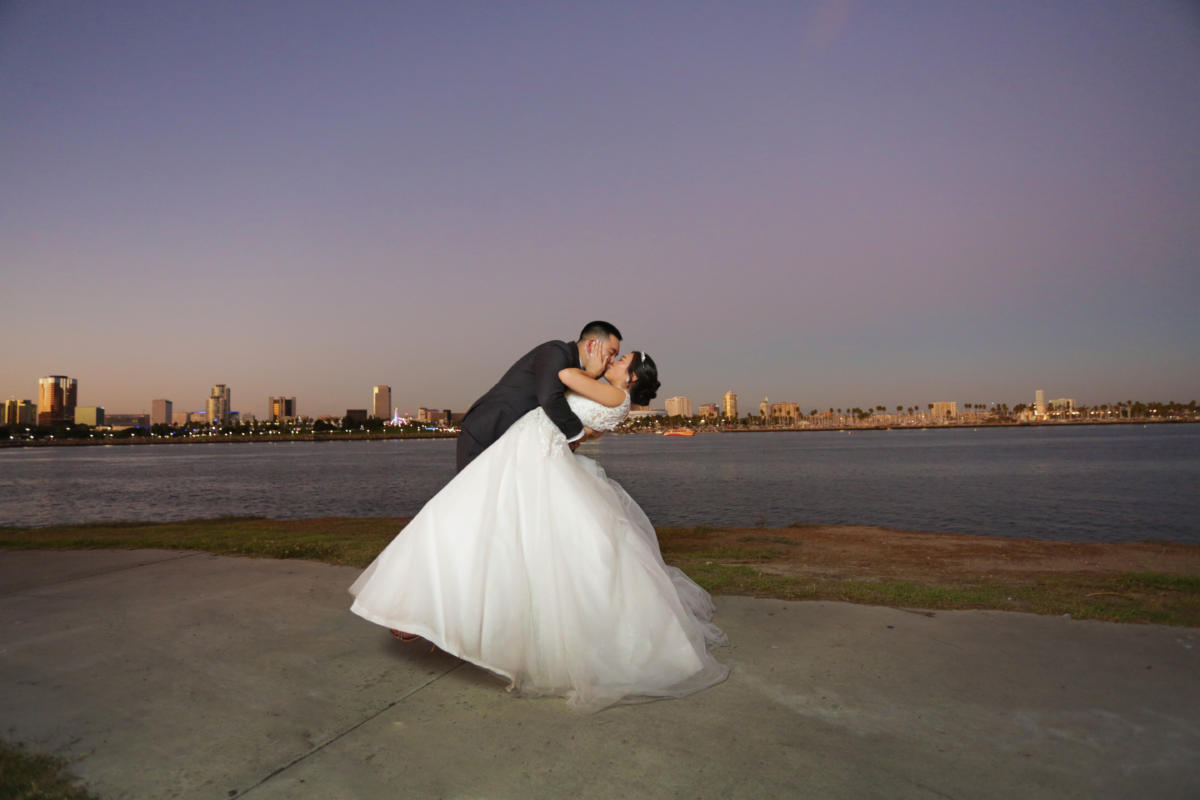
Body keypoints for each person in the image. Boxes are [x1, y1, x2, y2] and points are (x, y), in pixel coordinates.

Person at [349, 351, 729, 711]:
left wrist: (589, 360)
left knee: (494, 531)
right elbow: (579, 426)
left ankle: (440, 614)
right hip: (526, 453)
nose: (613, 359)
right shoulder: (615, 399)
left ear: (630, 378)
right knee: (488, 527)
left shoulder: (615, 394)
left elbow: (563, 376)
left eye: (621, 359)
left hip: (532, 458)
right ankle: (431, 610)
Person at [455, 321, 622, 472]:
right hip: (487, 431)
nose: (612, 361)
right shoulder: (557, 351)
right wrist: (577, 433)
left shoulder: (577, 375)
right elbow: (550, 397)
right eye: (611, 352)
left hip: (516, 444)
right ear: (592, 345)